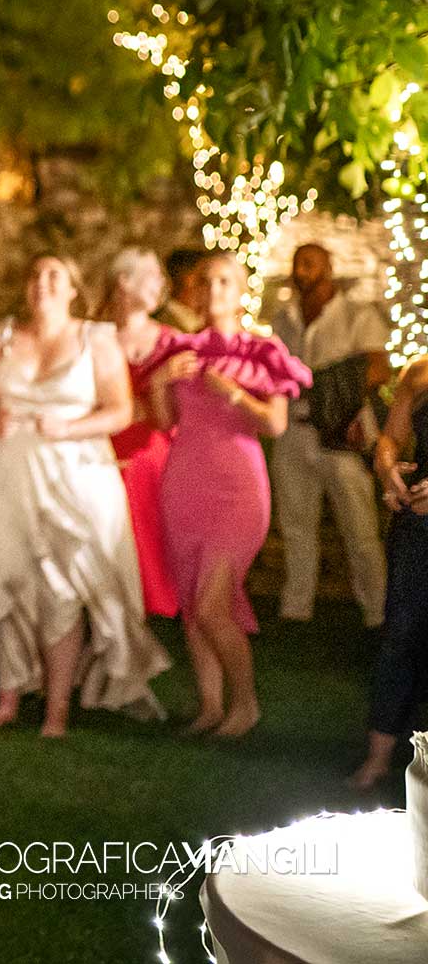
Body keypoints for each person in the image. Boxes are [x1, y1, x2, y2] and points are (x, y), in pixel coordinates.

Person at [0, 255, 168, 735]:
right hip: (7, 468)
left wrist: (70, 427)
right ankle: (8, 698)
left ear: (73, 289)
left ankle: (56, 710)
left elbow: (120, 411)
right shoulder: (3, 335)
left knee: (61, 587)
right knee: (7, 578)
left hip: (75, 472)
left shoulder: (96, 339)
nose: (42, 283)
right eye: (34, 274)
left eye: (54, 275)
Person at [143, 254, 308, 739]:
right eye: (206, 281)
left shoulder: (262, 351)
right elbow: (163, 421)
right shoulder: (181, 349)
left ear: (240, 292)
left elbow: (275, 423)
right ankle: (211, 708)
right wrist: (159, 381)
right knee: (194, 606)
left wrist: (232, 392)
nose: (214, 289)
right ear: (194, 291)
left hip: (237, 486)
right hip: (184, 481)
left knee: (213, 604)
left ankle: (246, 704)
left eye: (224, 281)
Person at [266, 242, 389, 626]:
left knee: (360, 529)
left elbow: (377, 367)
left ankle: (377, 612)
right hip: (295, 430)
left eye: (310, 264)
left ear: (328, 268)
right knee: (297, 525)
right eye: (298, 264)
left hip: (340, 432)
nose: (302, 271)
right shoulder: (283, 319)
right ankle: (296, 609)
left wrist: (333, 393)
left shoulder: (356, 313)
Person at [357, 353, 428, 788]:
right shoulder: (418, 370)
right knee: (401, 633)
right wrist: (387, 472)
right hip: (418, 522)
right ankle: (378, 759)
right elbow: (391, 439)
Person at [103, 249, 181, 619]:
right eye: (150, 274)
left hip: (152, 453)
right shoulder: (96, 338)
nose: (160, 283)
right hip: (102, 448)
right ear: (123, 281)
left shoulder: (171, 341)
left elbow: (171, 418)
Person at [155, 249, 208, 334]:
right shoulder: (170, 326)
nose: (206, 287)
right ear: (186, 279)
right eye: (202, 278)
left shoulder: (196, 319)